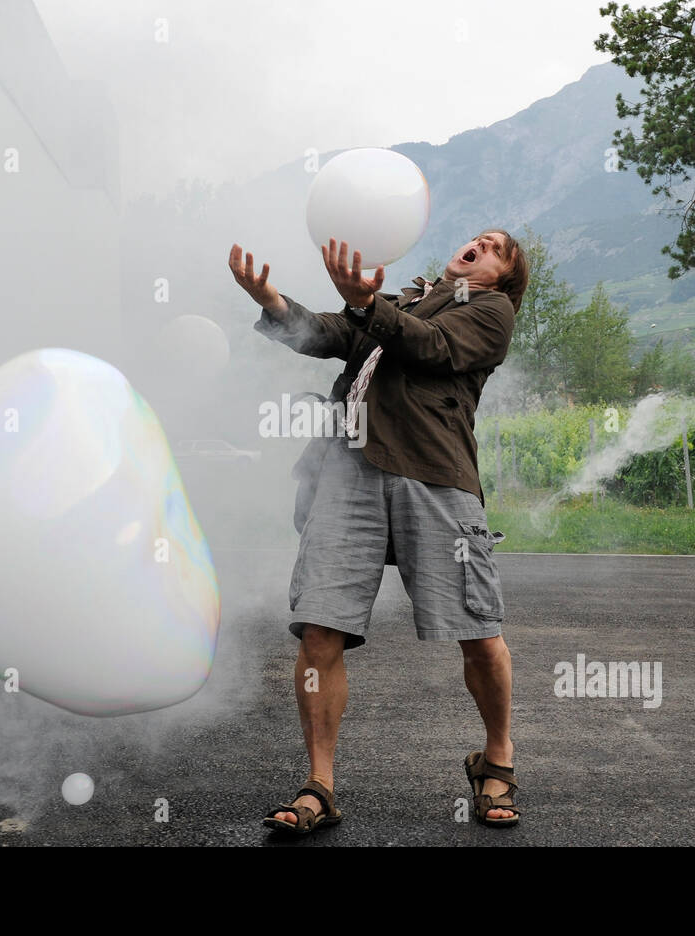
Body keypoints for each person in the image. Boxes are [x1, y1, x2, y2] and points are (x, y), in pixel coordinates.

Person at [227, 230, 529, 833]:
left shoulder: (490, 311)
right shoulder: (404, 301)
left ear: (503, 277)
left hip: (434, 474)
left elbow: (433, 348)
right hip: (347, 469)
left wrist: (369, 307)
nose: (479, 244)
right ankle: (320, 784)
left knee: (478, 629)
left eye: (495, 248)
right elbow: (334, 336)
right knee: (319, 626)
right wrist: (274, 302)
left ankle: (497, 760)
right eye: (478, 238)